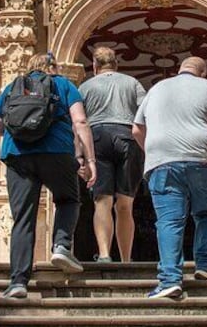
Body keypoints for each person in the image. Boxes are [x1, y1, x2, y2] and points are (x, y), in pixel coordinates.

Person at [0, 51, 97, 299]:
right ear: (53, 67)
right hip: (57, 151)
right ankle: (61, 245)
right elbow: (80, 122)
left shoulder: (11, 87)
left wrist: (24, 128)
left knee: (23, 217)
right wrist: (90, 160)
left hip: (17, 155)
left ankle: (18, 282)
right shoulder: (64, 84)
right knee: (68, 199)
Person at [132, 56, 207, 299]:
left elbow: (136, 128)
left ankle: (169, 279)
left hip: (162, 162)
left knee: (169, 221)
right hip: (203, 158)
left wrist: (154, 151)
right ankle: (206, 265)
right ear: (203, 72)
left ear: (180, 70)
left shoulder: (156, 89)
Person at [78, 46, 146, 263]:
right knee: (126, 205)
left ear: (95, 66)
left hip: (97, 138)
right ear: (116, 64)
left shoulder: (85, 86)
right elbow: (146, 112)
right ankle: (126, 258)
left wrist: (80, 156)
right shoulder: (132, 83)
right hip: (127, 137)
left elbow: (78, 123)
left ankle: (105, 254)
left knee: (102, 201)